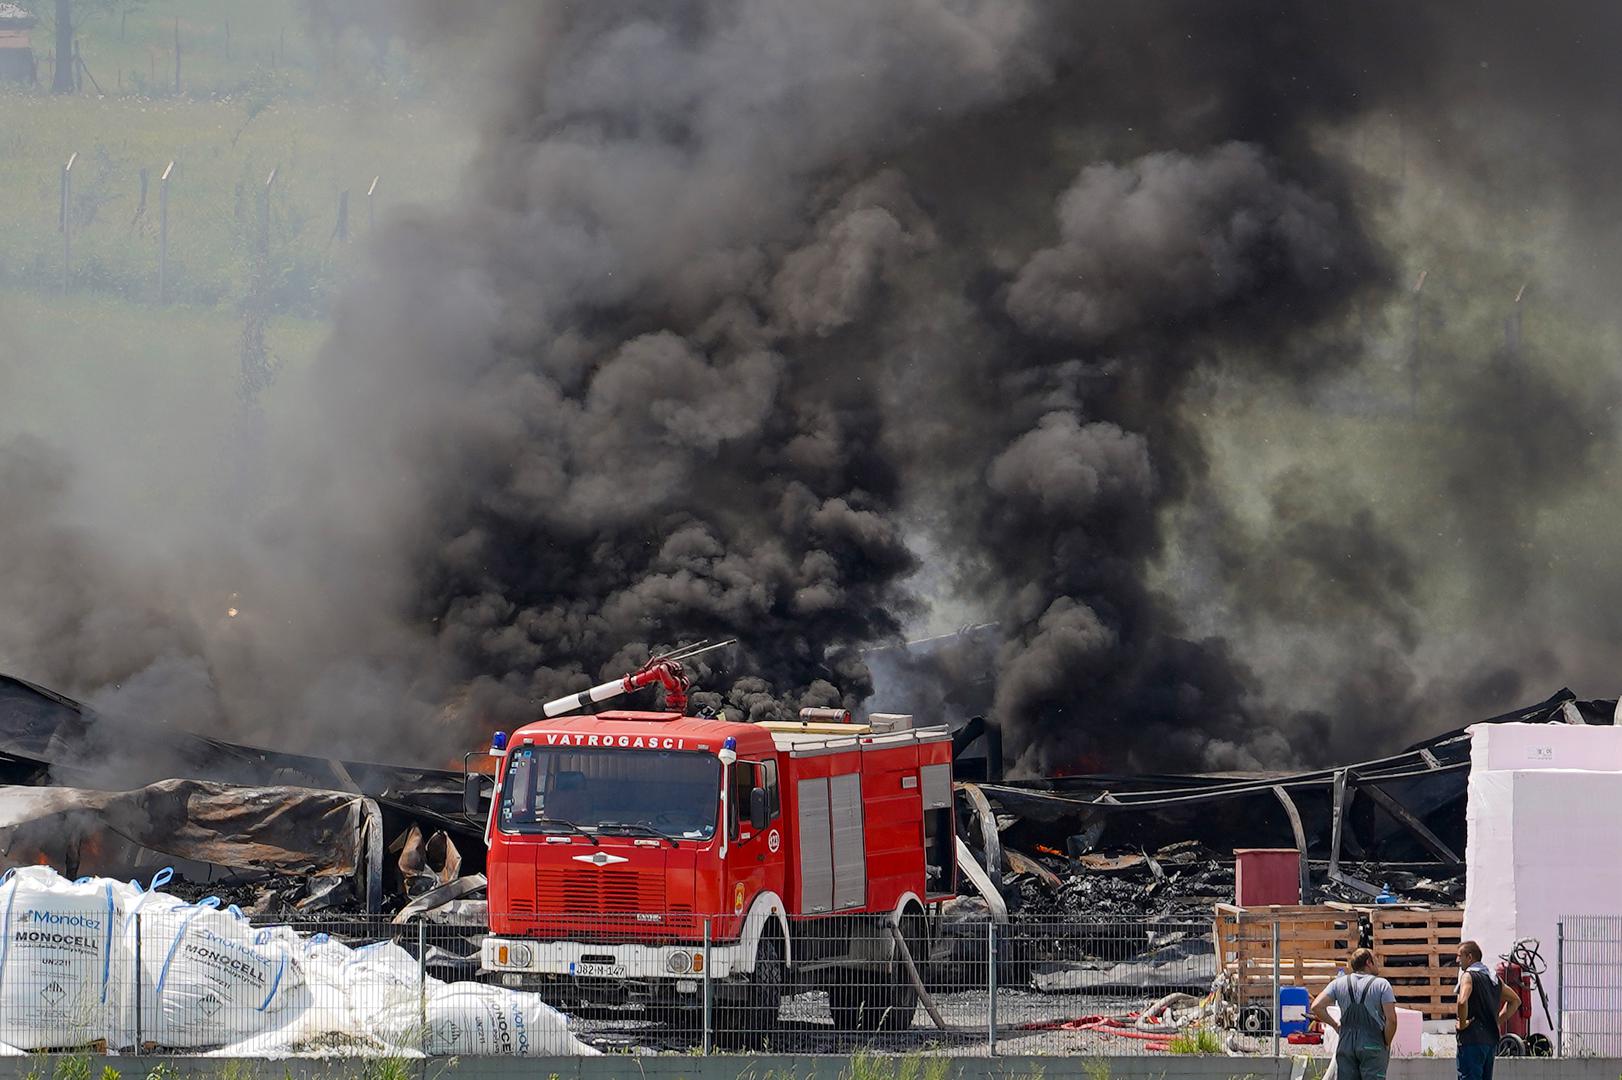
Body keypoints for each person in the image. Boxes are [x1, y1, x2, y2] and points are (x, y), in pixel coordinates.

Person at [1311, 947, 1399, 1080]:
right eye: (1375, 959)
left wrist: (1335, 1025)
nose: (1378, 962)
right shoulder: (1382, 985)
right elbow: (1391, 1020)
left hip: (1346, 1045)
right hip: (1373, 1045)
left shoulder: (1338, 983)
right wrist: (1386, 1041)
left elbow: (1316, 1006)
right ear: (1369, 962)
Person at [1456, 940, 1521, 1080]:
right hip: (1490, 1042)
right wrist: (1497, 1020)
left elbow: (1462, 1002)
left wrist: (1462, 1024)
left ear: (1469, 957)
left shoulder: (1468, 976)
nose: (1457, 960)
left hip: (1471, 1041)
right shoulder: (1494, 979)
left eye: (1459, 956)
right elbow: (1515, 1001)